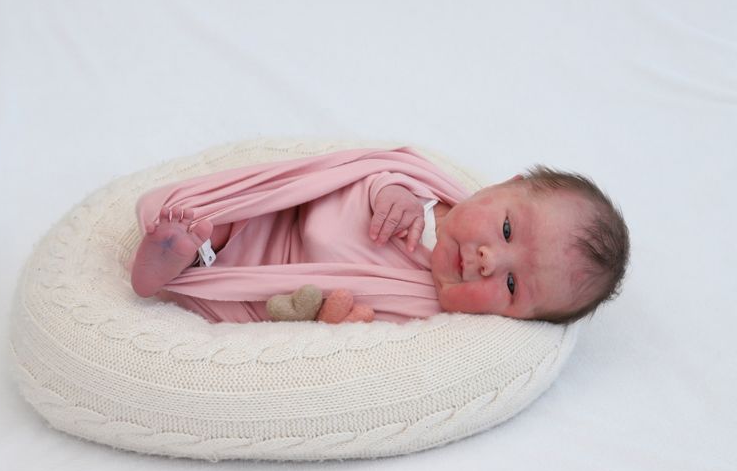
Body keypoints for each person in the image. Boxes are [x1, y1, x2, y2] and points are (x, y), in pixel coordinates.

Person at [129, 148, 629, 325]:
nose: (488, 260)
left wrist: (340, 322)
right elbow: (369, 167)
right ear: (503, 186)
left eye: (513, 285)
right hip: (278, 218)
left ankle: (178, 271)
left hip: (270, 283)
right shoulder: (425, 189)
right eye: (505, 230)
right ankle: (193, 241)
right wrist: (389, 190)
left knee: (252, 312)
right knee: (190, 208)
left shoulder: (428, 312)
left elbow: (366, 338)